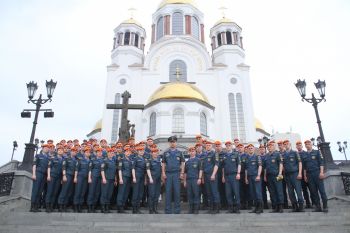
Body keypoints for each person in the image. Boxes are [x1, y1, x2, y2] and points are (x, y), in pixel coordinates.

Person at [303, 140, 328, 212]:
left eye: (308, 144)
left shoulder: (317, 152)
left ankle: (325, 206)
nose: (307, 145)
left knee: (322, 190)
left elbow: (321, 163)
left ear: (311, 144)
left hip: (317, 173)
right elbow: (304, 167)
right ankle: (318, 206)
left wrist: (321, 172)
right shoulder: (305, 155)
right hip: (309, 175)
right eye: (306, 144)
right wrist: (305, 176)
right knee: (313, 192)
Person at [162, 136, 185, 214]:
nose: (172, 143)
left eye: (174, 142)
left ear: (176, 143)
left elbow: (182, 163)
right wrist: (163, 173)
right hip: (168, 174)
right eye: (171, 142)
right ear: (169, 143)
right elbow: (163, 164)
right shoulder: (165, 153)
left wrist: (182, 173)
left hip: (176, 174)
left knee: (177, 192)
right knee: (168, 192)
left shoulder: (180, 153)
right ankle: (167, 210)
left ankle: (177, 210)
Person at [282, 140, 304, 212]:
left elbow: (300, 163)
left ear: (290, 144)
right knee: (290, 192)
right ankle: (294, 206)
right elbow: (282, 165)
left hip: (295, 174)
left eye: (287, 144)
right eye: (284, 144)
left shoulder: (295, 152)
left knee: (298, 191)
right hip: (287, 175)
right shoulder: (283, 154)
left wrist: (300, 173)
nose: (286, 145)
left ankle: (301, 206)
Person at [264, 141, 284, 213]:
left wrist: (280, 173)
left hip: (277, 175)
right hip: (269, 176)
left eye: (271, 146)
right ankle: (275, 207)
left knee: (279, 190)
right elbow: (265, 167)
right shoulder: (266, 156)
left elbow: (281, 164)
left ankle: (281, 207)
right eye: (268, 147)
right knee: (272, 192)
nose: (269, 148)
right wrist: (265, 176)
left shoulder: (277, 154)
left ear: (273, 147)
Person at [222, 141, 241, 213]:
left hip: (234, 175)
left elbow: (239, 164)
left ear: (231, 146)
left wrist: (238, 173)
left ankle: (237, 208)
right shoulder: (224, 155)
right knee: (228, 193)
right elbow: (223, 167)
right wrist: (223, 176)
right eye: (227, 146)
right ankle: (230, 208)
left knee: (236, 192)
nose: (228, 147)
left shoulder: (236, 154)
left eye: (229, 145)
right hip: (227, 176)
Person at [202, 141, 220, 214]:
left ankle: (217, 208)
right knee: (209, 192)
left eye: (209, 145)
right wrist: (203, 177)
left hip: (212, 175)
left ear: (211, 146)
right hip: (206, 175)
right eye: (207, 145)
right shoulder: (204, 155)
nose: (208, 146)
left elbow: (216, 165)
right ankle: (211, 207)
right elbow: (202, 167)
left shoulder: (214, 154)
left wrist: (213, 174)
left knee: (214, 191)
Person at [30, 144, 50, 212]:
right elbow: (34, 165)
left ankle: (36, 206)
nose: (47, 149)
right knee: (35, 190)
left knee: (40, 191)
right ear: (43, 148)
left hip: (44, 175)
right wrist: (34, 174)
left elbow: (48, 168)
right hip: (38, 174)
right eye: (46, 148)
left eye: (48, 148)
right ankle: (32, 206)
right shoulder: (38, 155)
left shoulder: (48, 157)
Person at [58, 146, 78, 212]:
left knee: (69, 192)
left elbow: (76, 169)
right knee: (64, 190)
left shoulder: (76, 160)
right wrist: (64, 175)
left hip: (72, 177)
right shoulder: (66, 158)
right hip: (67, 176)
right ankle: (60, 205)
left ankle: (65, 205)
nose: (74, 152)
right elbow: (64, 167)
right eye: (73, 151)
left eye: (75, 151)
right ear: (70, 152)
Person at [245, 144, 263, 214]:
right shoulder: (247, 157)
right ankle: (256, 208)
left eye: (251, 148)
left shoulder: (257, 157)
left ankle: (260, 208)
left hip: (256, 176)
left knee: (258, 192)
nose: (250, 149)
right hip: (249, 177)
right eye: (249, 148)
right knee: (253, 193)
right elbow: (246, 169)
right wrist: (246, 178)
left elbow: (260, 166)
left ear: (254, 149)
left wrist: (258, 175)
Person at [184, 146, 203, 214]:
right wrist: (185, 181)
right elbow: (185, 172)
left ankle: (196, 209)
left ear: (195, 152)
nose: (192, 152)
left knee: (196, 194)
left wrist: (199, 178)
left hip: (195, 179)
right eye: (190, 151)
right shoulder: (187, 162)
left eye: (193, 151)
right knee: (190, 194)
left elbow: (200, 170)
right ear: (189, 152)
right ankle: (191, 209)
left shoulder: (198, 160)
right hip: (189, 180)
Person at [45, 146, 64, 212]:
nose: (60, 151)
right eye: (59, 150)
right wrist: (48, 175)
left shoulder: (63, 160)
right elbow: (49, 167)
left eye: (62, 150)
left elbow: (63, 170)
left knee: (55, 192)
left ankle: (51, 206)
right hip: (52, 176)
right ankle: (47, 206)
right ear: (57, 151)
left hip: (59, 178)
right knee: (50, 191)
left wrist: (62, 178)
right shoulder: (53, 158)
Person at [73, 146, 92, 213]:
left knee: (83, 192)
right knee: (78, 191)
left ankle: (80, 205)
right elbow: (76, 169)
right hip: (80, 177)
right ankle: (75, 205)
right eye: (86, 152)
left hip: (86, 178)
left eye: (89, 152)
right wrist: (75, 177)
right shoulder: (80, 160)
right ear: (84, 153)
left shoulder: (90, 161)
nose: (88, 153)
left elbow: (90, 170)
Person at [116, 146, 134, 213]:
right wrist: (120, 178)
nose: (128, 153)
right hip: (123, 177)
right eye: (127, 151)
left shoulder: (130, 160)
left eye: (129, 151)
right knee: (121, 192)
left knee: (126, 192)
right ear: (124, 152)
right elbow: (120, 170)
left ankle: (123, 206)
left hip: (129, 178)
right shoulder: (121, 159)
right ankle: (119, 206)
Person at [296, 141, 312, 208]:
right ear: (296, 147)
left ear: (302, 146)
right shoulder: (295, 154)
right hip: (300, 175)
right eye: (297, 145)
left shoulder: (306, 153)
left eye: (300, 145)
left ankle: (314, 202)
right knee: (304, 190)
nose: (299, 146)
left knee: (311, 189)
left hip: (307, 174)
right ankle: (307, 203)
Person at [100, 148, 118, 213]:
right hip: (106, 179)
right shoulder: (104, 161)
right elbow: (102, 170)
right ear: (107, 153)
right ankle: (103, 207)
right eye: (110, 153)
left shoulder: (113, 161)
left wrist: (115, 180)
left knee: (109, 194)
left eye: (112, 153)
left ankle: (107, 206)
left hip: (112, 179)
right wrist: (103, 178)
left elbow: (115, 172)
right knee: (104, 193)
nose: (111, 154)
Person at [87, 147, 104, 213]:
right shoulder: (93, 160)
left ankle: (94, 205)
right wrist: (89, 177)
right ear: (96, 153)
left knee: (97, 192)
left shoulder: (103, 160)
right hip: (93, 177)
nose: (100, 153)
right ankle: (89, 206)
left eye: (100, 152)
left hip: (100, 178)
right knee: (91, 191)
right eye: (98, 152)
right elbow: (90, 170)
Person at [131, 145, 147, 214]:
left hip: (142, 177)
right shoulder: (135, 158)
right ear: (138, 151)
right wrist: (134, 177)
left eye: (143, 151)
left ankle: (138, 208)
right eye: (140, 151)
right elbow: (133, 168)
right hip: (137, 176)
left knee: (140, 193)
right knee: (135, 193)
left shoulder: (144, 159)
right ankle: (134, 209)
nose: (142, 152)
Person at [146, 148, 162, 214]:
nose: (155, 153)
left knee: (157, 194)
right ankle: (151, 209)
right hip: (152, 179)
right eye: (154, 152)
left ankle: (155, 209)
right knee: (152, 194)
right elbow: (148, 169)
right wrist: (150, 178)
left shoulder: (159, 160)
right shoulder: (149, 160)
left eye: (156, 152)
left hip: (158, 179)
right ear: (151, 153)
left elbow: (160, 170)